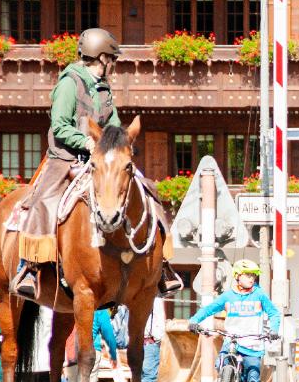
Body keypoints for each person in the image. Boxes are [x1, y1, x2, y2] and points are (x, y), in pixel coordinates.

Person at [11, 27, 181, 299]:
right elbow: (59, 126)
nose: (113, 65)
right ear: (102, 58)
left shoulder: (103, 87)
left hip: (102, 159)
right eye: (111, 59)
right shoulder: (69, 83)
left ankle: (161, 265)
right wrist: (87, 142)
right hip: (65, 157)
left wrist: (119, 143)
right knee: (43, 202)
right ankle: (29, 268)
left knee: (147, 190)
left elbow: (112, 124)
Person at [188, 259, 280, 382]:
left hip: (252, 344)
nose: (251, 278)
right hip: (232, 342)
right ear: (237, 276)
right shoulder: (228, 296)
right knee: (221, 364)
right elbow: (208, 309)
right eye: (247, 275)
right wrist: (194, 320)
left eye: (253, 275)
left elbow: (274, 313)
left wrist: (274, 329)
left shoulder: (259, 294)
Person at [65, 307, 118, 382]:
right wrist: (113, 355)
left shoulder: (69, 306)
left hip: (71, 351)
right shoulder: (99, 309)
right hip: (90, 352)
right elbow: (108, 334)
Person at [142, 297, 166, 382]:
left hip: (135, 340)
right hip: (149, 340)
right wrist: (158, 337)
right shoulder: (154, 298)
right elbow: (159, 319)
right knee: (148, 376)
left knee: (140, 375)